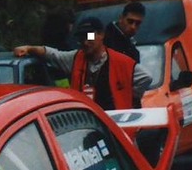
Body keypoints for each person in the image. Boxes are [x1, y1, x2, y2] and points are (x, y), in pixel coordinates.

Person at [13, 16, 152, 111]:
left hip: (115, 123)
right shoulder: (75, 58)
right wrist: (30, 48)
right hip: (87, 123)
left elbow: (146, 78)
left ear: (101, 35)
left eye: (89, 36)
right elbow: (52, 54)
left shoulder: (120, 61)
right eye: (81, 38)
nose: (85, 42)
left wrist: (127, 94)